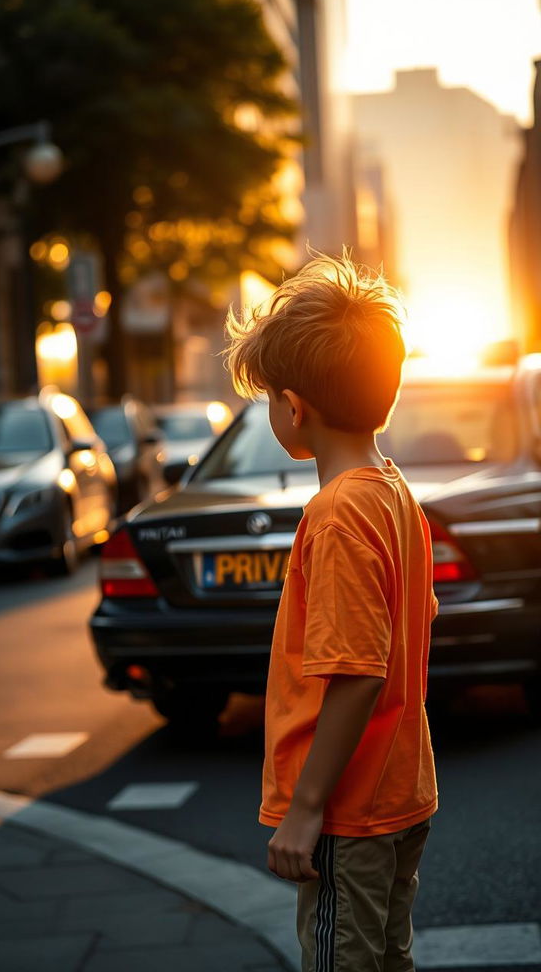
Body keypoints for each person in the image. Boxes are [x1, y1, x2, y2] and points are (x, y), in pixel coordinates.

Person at [225, 252, 437, 972]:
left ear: (295, 407)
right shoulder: (394, 491)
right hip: (400, 790)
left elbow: (356, 671)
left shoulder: (339, 513)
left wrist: (307, 806)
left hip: (350, 811)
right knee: (387, 960)